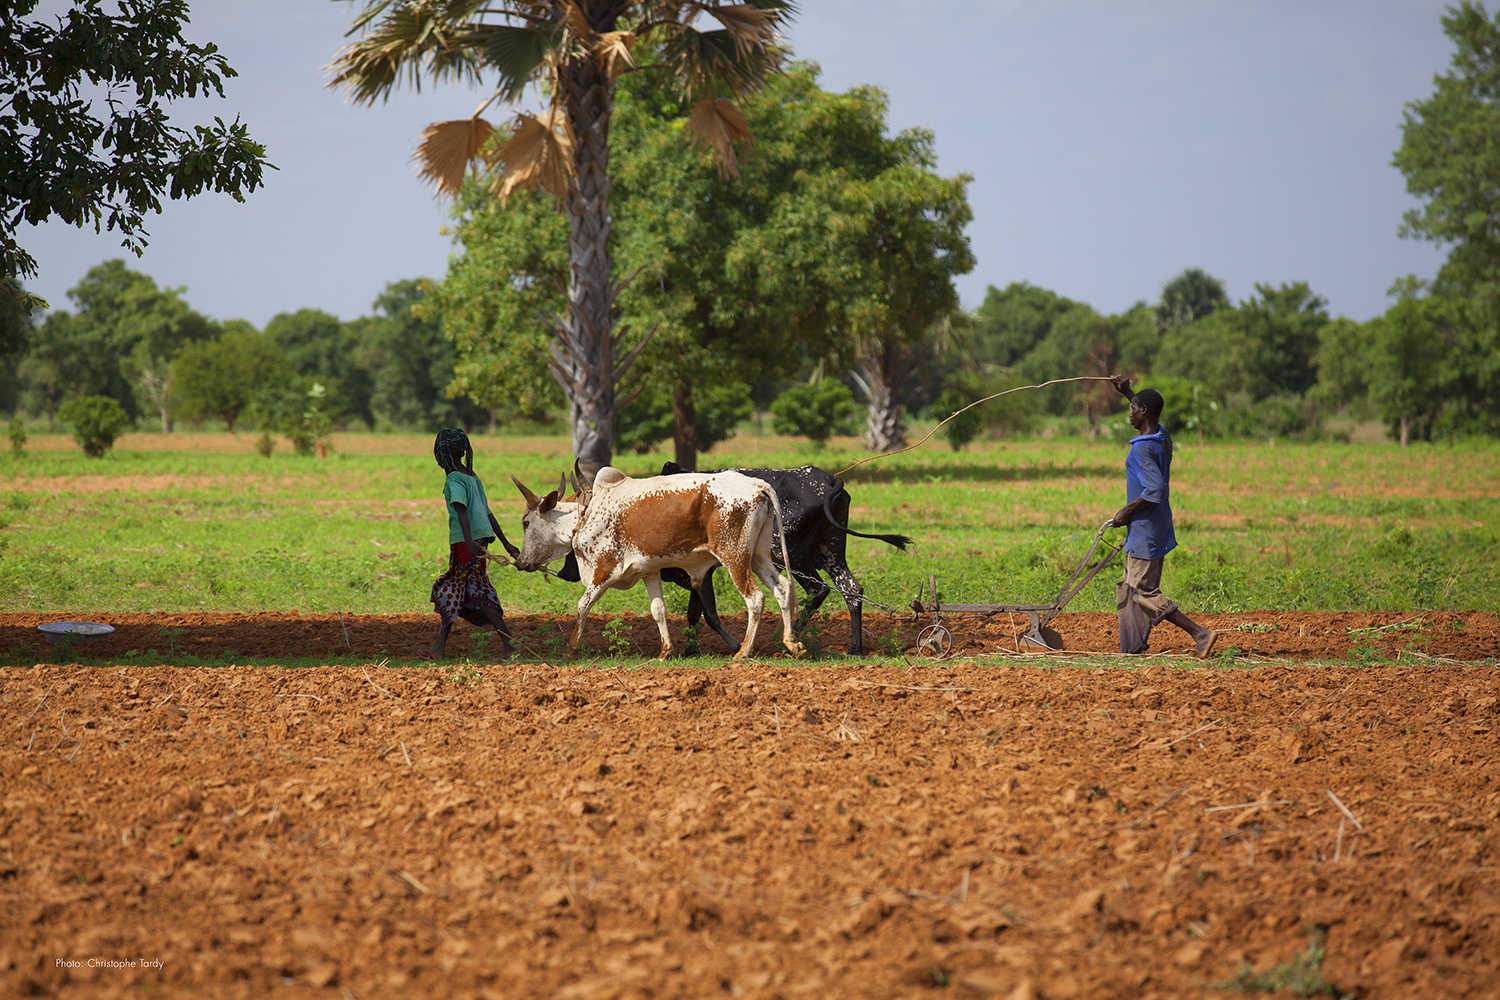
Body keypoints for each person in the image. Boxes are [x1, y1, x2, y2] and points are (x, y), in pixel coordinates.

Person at [1107, 375, 1218, 658]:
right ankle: (1132, 649)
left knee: (1143, 591)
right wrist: (1127, 392)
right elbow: (1146, 410)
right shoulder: (1161, 437)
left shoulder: (1142, 448)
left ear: (1143, 412)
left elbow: (1154, 489)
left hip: (1146, 528)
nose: (1129, 413)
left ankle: (1200, 634)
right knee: (1130, 588)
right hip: (1151, 526)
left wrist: (1126, 511)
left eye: (1133, 409)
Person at [421, 429, 519, 660]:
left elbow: (462, 511)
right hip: (476, 539)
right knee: (459, 588)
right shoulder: (473, 477)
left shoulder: (454, 479)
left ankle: (509, 643)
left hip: (466, 543)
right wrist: (505, 543)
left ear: (444, 452)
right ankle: (439, 648)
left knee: (473, 588)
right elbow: (488, 513)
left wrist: (468, 541)